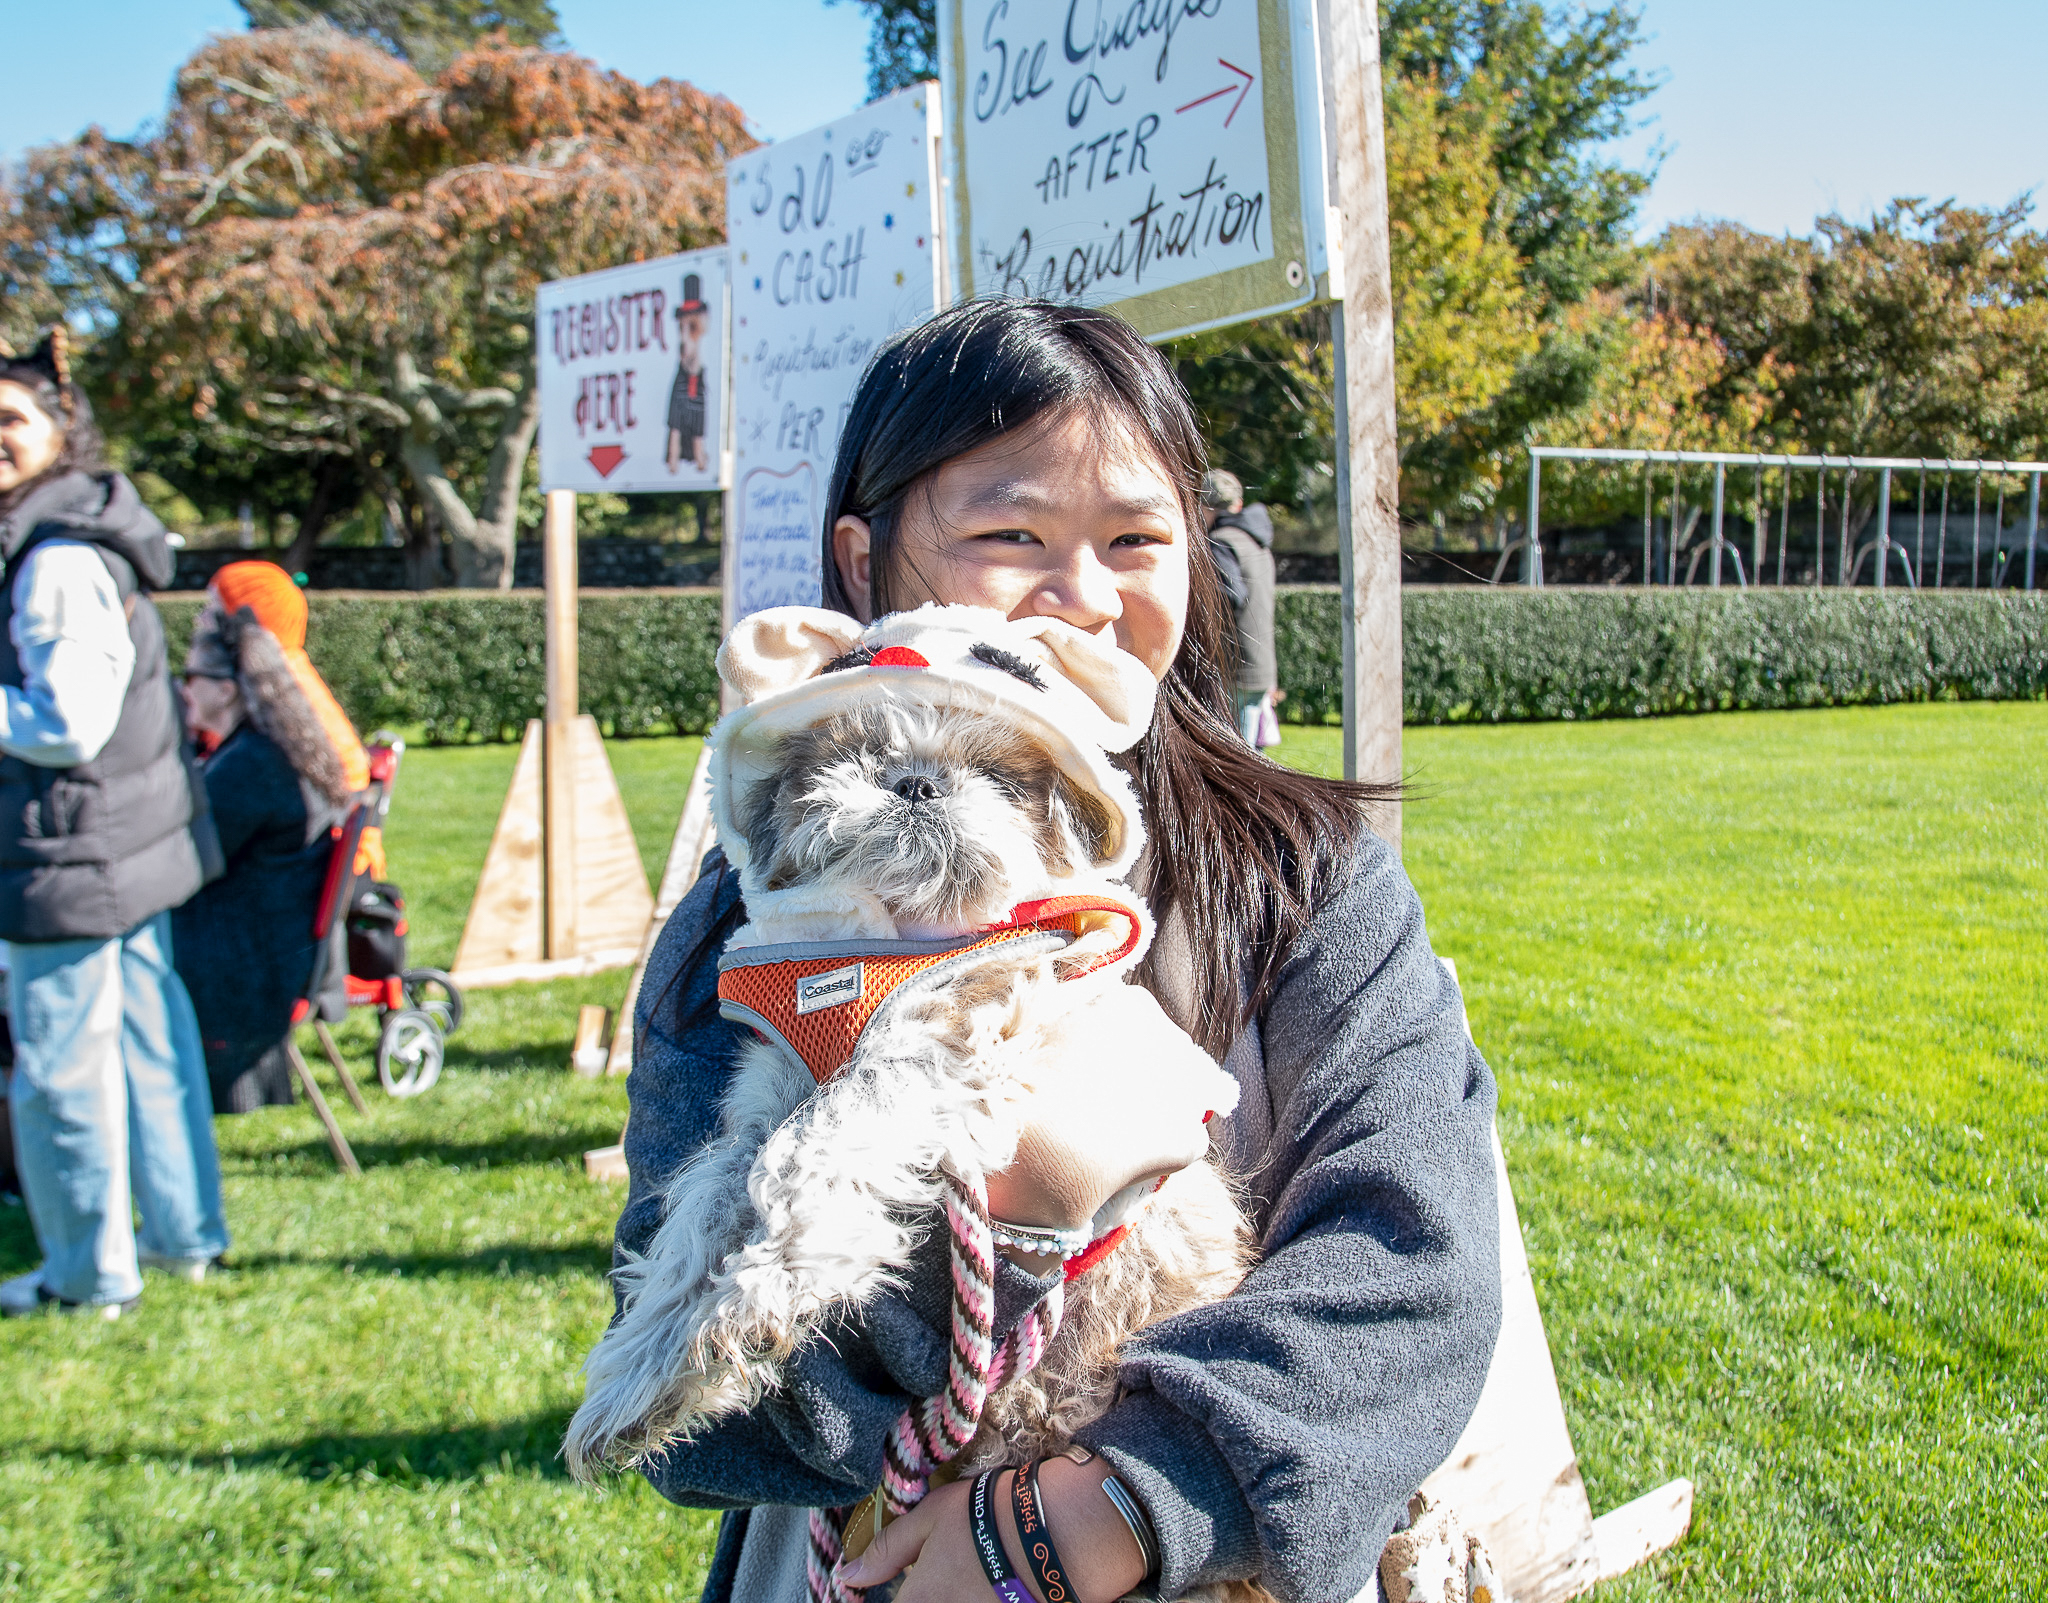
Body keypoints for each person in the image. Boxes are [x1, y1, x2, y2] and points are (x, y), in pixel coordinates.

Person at [608, 300, 1501, 1603]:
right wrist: (1007, 1228)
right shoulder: (768, 912)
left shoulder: (1301, 873)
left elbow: (1416, 1254)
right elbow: (714, 1419)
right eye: (1010, 534)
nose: (1084, 598)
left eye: (1138, 538)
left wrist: (1116, 1501)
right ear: (863, 562)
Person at [0, 329, 227, 1318]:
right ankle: (182, 1239)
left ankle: (87, 1277)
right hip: (122, 843)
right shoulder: (76, 532)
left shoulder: (52, 557)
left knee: (59, 1070)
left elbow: (65, 723)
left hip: (71, 850)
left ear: (62, 430)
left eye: (10, 418)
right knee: (149, 1045)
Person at [173, 602, 351, 1114]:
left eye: (192, 677)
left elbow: (187, 861)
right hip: (272, 947)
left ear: (227, 690)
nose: (184, 689)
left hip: (246, 961)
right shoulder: (264, 751)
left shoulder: (250, 765)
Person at [207, 560, 385, 880]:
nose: (201, 621)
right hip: (332, 864)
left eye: (212, 609)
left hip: (308, 869)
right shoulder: (295, 676)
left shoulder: (273, 699)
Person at [1199, 468, 1281, 746]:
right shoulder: (1257, 543)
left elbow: (1229, 595)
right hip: (1261, 666)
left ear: (1207, 507)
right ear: (1239, 503)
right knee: (1252, 758)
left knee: (1238, 757)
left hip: (1236, 669)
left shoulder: (1221, 541)